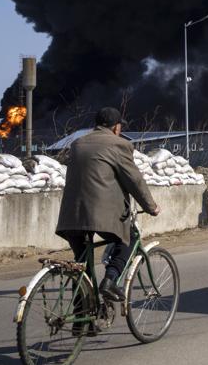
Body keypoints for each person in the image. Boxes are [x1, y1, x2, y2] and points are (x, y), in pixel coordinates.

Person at [56, 107, 160, 303]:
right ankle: (110, 280)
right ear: (116, 127)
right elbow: (134, 180)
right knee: (128, 239)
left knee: (82, 267)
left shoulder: (77, 143)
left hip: (71, 215)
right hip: (100, 215)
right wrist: (151, 207)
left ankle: (81, 321)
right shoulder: (119, 145)